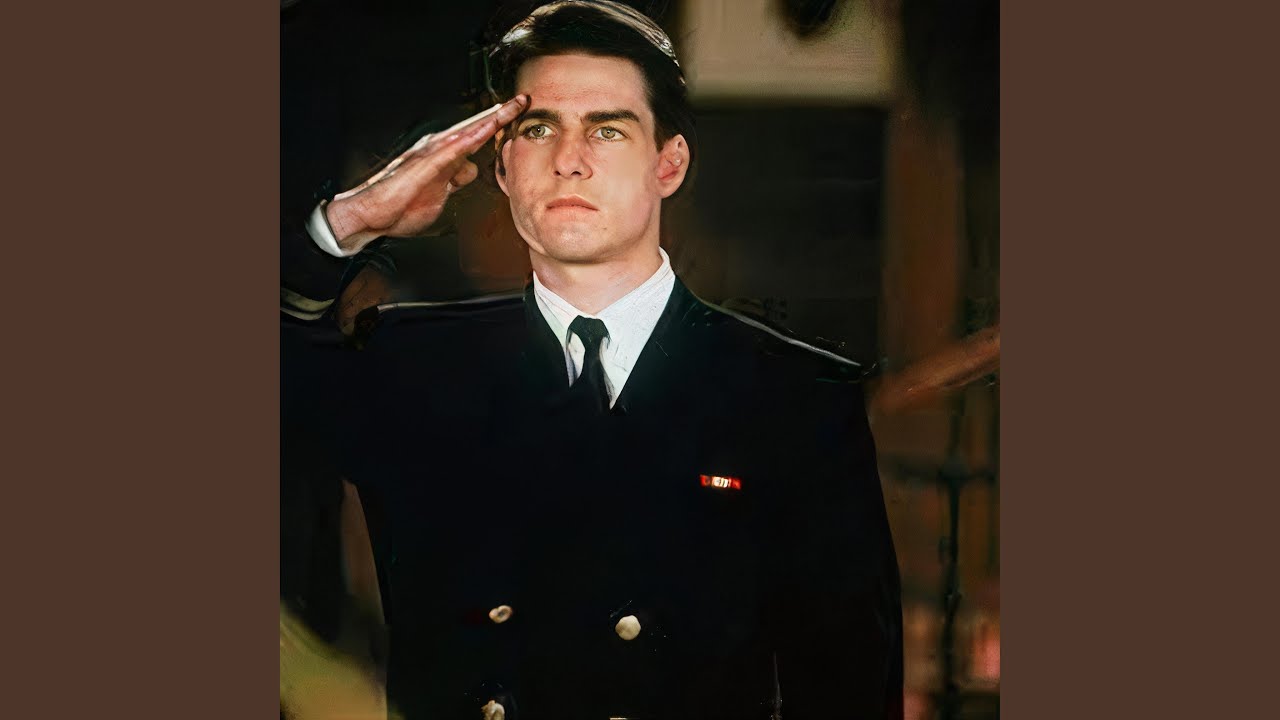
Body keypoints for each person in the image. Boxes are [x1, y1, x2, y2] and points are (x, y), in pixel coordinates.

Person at [282, 2, 903, 718]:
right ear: (502, 166)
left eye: (607, 129)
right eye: (537, 129)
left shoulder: (795, 396)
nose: (568, 159)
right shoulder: (410, 365)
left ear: (668, 164)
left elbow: (851, 690)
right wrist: (348, 222)